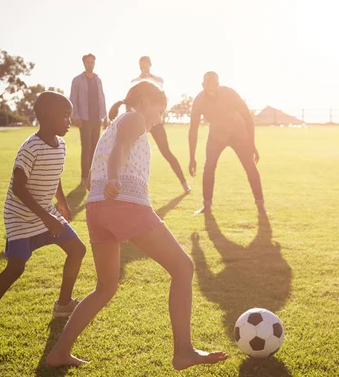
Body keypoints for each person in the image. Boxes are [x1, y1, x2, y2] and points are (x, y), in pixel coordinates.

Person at [46, 81, 229, 370]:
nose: (160, 117)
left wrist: (110, 182)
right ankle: (183, 351)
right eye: (160, 109)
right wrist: (115, 178)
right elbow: (119, 149)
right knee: (183, 268)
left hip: (98, 207)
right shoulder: (134, 118)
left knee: (105, 288)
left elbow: (118, 149)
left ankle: (59, 353)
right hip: (124, 203)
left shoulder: (123, 119)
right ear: (144, 101)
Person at [0, 91, 87, 339]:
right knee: (15, 268)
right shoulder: (30, 148)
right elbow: (18, 188)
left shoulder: (62, 145)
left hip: (46, 211)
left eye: (71, 116)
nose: (69, 121)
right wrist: (46, 218)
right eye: (65, 116)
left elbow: (53, 176)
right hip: (20, 216)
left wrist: (62, 204)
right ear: (46, 115)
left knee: (77, 250)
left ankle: (63, 305)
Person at [189, 72, 266, 215]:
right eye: (208, 84)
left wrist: (251, 143)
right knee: (209, 167)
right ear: (203, 85)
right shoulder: (199, 100)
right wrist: (192, 157)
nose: (211, 87)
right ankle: (207, 206)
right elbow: (193, 129)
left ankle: (261, 205)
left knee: (250, 166)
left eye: (214, 84)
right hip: (217, 135)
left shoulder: (230, 93)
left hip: (238, 133)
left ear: (218, 85)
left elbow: (248, 117)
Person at [110, 55, 190, 193]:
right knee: (129, 149)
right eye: (141, 66)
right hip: (138, 120)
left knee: (166, 152)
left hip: (154, 122)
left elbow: (157, 95)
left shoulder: (158, 80)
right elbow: (132, 101)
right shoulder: (134, 81)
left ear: (150, 65)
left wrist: (148, 77)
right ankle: (123, 183)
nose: (143, 68)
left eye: (146, 65)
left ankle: (184, 182)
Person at [70, 53, 108, 188]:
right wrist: (76, 117)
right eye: (88, 62)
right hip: (84, 120)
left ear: (94, 63)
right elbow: (73, 99)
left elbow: (102, 98)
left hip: (97, 119)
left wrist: (105, 117)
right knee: (86, 149)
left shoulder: (98, 80)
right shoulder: (77, 80)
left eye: (92, 62)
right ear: (84, 63)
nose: (90, 64)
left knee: (95, 149)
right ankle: (84, 177)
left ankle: (93, 176)